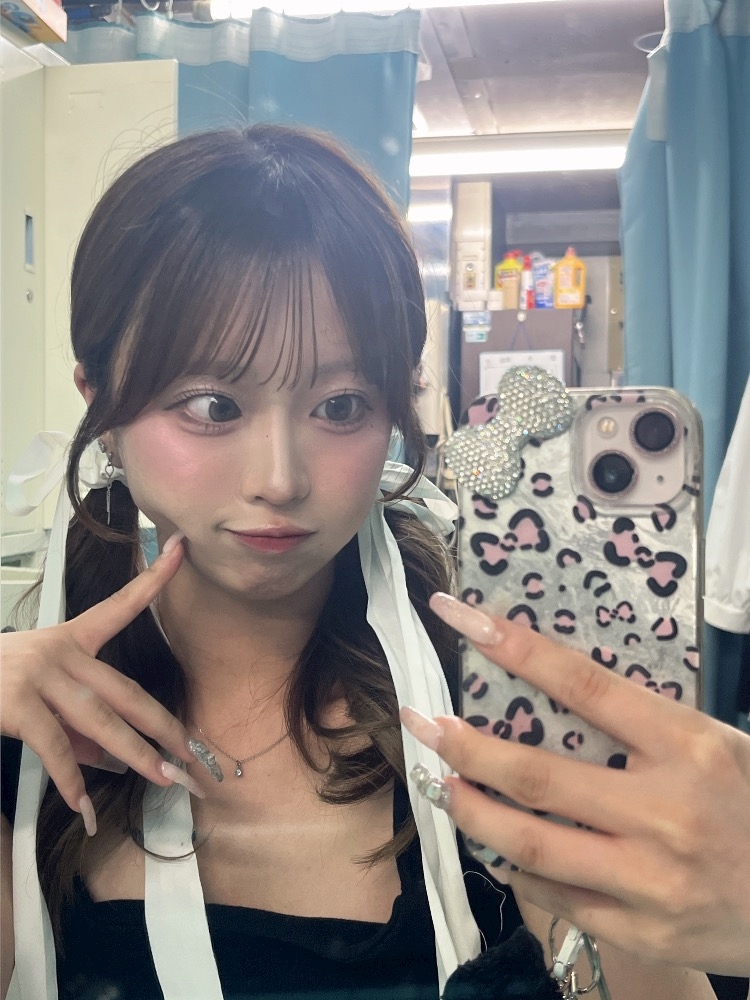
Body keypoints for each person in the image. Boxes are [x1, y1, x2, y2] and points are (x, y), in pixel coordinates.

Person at [0, 124, 717, 1000]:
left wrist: (637, 861)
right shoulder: (26, 742)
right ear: (101, 407)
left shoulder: (480, 709)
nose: (279, 479)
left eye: (341, 405)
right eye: (213, 405)